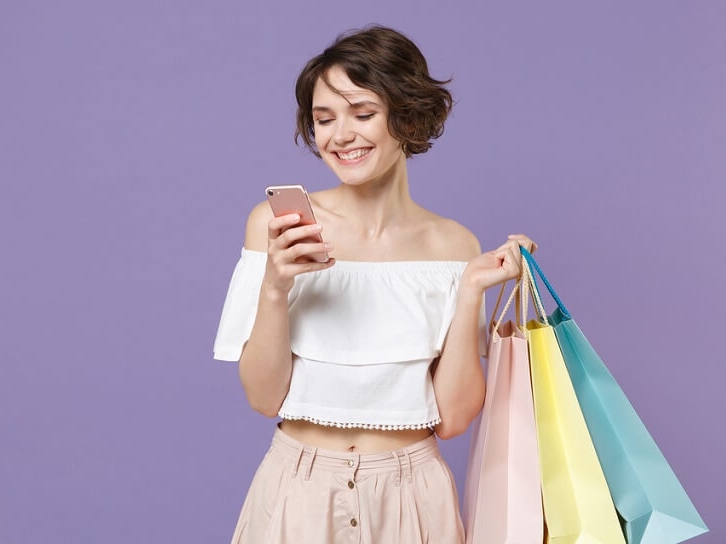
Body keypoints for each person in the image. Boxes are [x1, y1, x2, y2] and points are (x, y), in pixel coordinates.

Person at [213, 25, 536, 543]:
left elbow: (453, 419)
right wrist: (275, 289)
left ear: (406, 117)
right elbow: (264, 397)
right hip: (297, 490)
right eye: (324, 120)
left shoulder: (453, 245)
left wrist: (473, 288)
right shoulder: (278, 227)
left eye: (362, 114)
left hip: (413, 494)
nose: (340, 136)